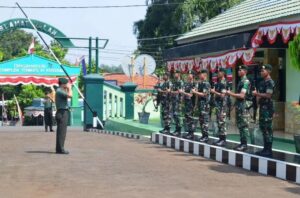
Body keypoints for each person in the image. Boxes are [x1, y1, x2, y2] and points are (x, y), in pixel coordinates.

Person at [252, 64, 275, 157]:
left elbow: (268, 95)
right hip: (262, 108)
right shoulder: (262, 82)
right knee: (263, 128)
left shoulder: (270, 82)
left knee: (267, 129)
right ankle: (265, 148)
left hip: (268, 109)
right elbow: (259, 95)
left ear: (268, 71)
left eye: (263, 71)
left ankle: (269, 150)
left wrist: (257, 94)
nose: (261, 72)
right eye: (261, 71)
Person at [227, 65, 250, 151]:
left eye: (240, 70)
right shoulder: (241, 81)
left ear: (245, 71)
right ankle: (242, 143)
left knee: (243, 126)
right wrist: (233, 105)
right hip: (239, 106)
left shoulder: (246, 81)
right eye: (238, 70)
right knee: (240, 126)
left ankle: (244, 144)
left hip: (243, 107)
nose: (238, 71)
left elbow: (242, 95)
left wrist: (230, 93)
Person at [192, 69, 211, 142]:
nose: (199, 75)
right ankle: (203, 135)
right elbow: (198, 96)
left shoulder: (206, 84)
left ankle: (206, 136)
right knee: (201, 121)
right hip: (200, 105)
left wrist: (195, 92)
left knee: (205, 121)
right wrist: (196, 105)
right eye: (199, 74)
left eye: (201, 74)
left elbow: (204, 94)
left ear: (205, 75)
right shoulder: (200, 83)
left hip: (205, 106)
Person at [55, 77, 72, 154]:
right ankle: (61, 149)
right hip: (62, 112)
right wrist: (69, 88)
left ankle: (59, 148)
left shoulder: (60, 90)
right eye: (66, 83)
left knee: (61, 132)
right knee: (62, 132)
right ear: (62, 84)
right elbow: (70, 95)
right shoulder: (59, 91)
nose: (67, 85)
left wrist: (67, 88)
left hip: (61, 112)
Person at [211, 68, 228, 146]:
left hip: (222, 105)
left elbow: (222, 95)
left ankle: (223, 140)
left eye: (219, 72)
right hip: (218, 105)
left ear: (223, 73)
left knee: (222, 122)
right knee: (219, 122)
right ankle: (220, 139)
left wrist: (214, 92)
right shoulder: (218, 83)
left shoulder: (224, 82)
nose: (218, 73)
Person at [179, 73, 196, 139]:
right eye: (188, 76)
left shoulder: (194, 84)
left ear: (192, 77)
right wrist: (181, 102)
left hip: (191, 103)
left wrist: (183, 92)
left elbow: (190, 95)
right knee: (187, 118)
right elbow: (184, 95)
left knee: (191, 118)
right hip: (186, 103)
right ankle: (189, 132)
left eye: (190, 76)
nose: (188, 77)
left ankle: (191, 133)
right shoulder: (186, 84)